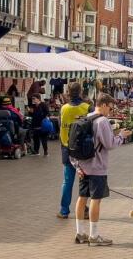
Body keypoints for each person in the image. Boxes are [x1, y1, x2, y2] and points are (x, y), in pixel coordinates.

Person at [72, 93, 132, 246]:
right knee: (95, 200)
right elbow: (110, 144)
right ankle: (94, 235)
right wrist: (122, 136)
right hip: (97, 167)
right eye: (110, 108)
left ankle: (80, 233)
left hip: (83, 166)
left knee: (82, 197)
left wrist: (77, 166)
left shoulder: (87, 117)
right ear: (104, 105)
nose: (110, 111)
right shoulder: (102, 121)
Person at [57, 82, 92, 219]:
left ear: (68, 93)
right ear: (81, 91)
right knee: (84, 181)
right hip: (83, 150)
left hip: (67, 148)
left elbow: (60, 127)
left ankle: (64, 210)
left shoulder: (63, 108)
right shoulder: (87, 108)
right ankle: (83, 209)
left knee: (67, 181)